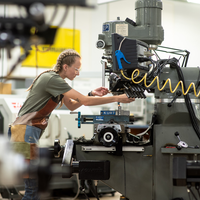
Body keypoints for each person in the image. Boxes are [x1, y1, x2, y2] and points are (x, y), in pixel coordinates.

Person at [8, 49, 135, 199]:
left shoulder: (58, 83)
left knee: (35, 185)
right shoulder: (51, 79)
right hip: (23, 132)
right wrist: (117, 98)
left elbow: (72, 105)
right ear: (65, 67)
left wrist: (91, 94)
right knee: (33, 187)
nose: (78, 73)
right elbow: (85, 102)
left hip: (24, 131)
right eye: (76, 69)